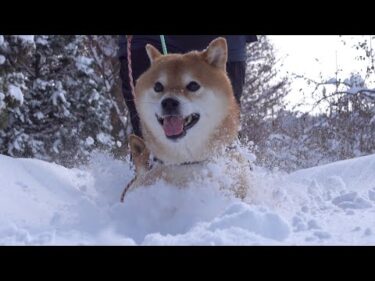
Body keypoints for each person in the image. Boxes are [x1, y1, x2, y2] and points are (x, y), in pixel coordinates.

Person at [118, 35, 257, 137]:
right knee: (148, 136)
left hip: (222, 40)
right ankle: (149, 173)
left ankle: (229, 174)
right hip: (150, 39)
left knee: (223, 133)